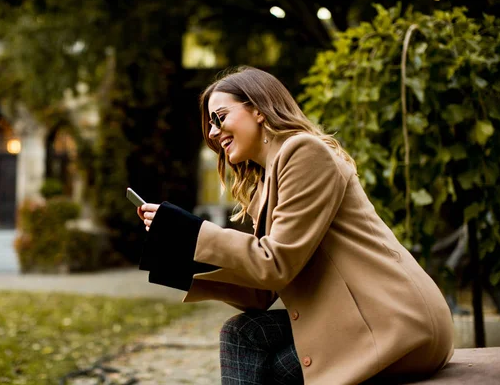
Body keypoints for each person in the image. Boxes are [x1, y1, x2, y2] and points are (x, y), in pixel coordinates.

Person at [136, 66, 454, 385]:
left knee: (269, 372)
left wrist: (191, 231)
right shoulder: (267, 181)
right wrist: (176, 255)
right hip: (363, 319)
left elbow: (275, 263)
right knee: (242, 334)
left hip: (396, 325)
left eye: (219, 117)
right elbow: (262, 292)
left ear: (258, 109)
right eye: (210, 125)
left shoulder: (304, 152)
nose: (213, 133)